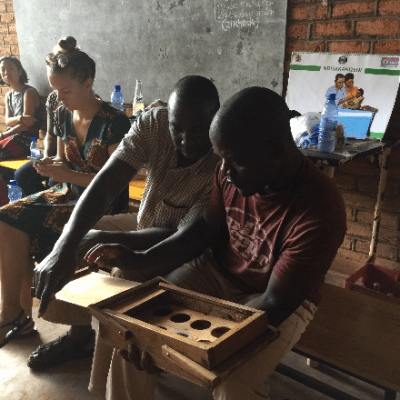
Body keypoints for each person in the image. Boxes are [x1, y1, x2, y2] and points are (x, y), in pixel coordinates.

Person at [82, 86, 347, 400]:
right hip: (215, 271)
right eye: (222, 160)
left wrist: (184, 346)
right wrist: (139, 258)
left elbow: (274, 305)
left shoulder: (319, 210)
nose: (225, 172)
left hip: (276, 295)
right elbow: (203, 230)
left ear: (276, 150)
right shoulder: (231, 169)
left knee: (234, 382)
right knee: (136, 335)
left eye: (235, 162)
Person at [27, 75, 220, 375]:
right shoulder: (153, 124)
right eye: (177, 129)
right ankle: (79, 336)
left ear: (215, 121)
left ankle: (110, 354)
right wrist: (67, 243)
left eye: (198, 131)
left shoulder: (221, 159)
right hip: (145, 222)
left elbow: (184, 236)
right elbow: (106, 183)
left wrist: (105, 238)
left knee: (121, 268)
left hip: (180, 247)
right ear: (167, 115)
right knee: (74, 236)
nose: (185, 141)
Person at [0, 36, 131, 349]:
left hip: (100, 204)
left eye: (66, 91)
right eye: (55, 90)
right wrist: (49, 165)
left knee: (36, 224)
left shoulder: (114, 122)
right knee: (6, 218)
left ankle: (49, 322)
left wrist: (67, 174)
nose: (59, 97)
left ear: (88, 83)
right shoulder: (60, 112)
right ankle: (15, 313)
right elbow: (60, 157)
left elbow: (115, 183)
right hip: (63, 193)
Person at [0, 56, 42, 205]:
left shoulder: (28, 92)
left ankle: (10, 200)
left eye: (10, 69)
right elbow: (8, 121)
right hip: (13, 137)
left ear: (19, 71)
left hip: (27, 140)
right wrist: (19, 118)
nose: (6, 73)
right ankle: (10, 198)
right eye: (3, 70)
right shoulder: (9, 95)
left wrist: (3, 134)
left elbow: (27, 125)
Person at [14, 90, 59, 196]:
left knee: (53, 180)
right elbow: (50, 134)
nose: (59, 97)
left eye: (66, 90)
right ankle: (44, 203)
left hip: (73, 155)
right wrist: (47, 156)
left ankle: (51, 203)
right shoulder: (54, 99)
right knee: (22, 175)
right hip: (56, 152)